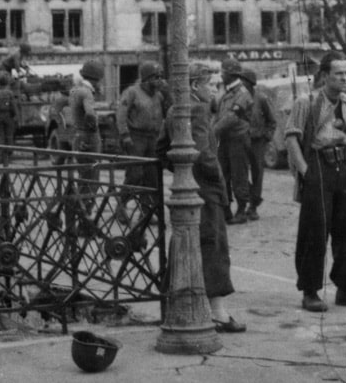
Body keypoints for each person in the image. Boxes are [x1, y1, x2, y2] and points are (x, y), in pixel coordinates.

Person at [157, 62, 246, 333]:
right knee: (214, 248)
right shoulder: (197, 109)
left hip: (188, 188)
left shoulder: (175, 109)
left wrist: (182, 172)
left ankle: (182, 306)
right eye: (212, 85)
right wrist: (217, 180)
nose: (216, 90)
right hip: (204, 191)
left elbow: (161, 149)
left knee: (188, 246)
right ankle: (218, 314)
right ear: (195, 85)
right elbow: (205, 155)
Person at [285, 50, 346, 313]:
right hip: (319, 167)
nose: (344, 78)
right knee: (315, 231)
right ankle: (310, 291)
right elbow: (291, 138)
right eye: (339, 73)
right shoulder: (307, 102)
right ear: (324, 76)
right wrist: (305, 171)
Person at [115, 61, 166, 220]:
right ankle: (121, 206)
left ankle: (146, 211)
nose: (159, 80)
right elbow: (121, 114)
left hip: (153, 138)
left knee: (152, 177)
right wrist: (125, 135)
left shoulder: (158, 95)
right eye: (155, 77)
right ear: (145, 78)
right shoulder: (132, 92)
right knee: (135, 174)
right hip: (136, 137)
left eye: (160, 77)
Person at [214, 57, 253, 225]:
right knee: (223, 174)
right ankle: (226, 209)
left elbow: (232, 117)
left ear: (231, 74)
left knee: (239, 175)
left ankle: (241, 210)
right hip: (225, 139)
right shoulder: (227, 92)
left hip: (238, 139)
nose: (221, 74)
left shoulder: (242, 93)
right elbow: (218, 114)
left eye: (223, 72)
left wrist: (212, 131)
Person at [69, 59, 105, 221]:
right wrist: (93, 129)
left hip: (78, 136)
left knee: (83, 179)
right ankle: (85, 217)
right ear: (95, 79)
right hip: (88, 138)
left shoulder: (76, 90)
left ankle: (79, 215)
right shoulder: (87, 93)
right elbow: (90, 113)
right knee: (92, 179)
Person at [239, 68, 276, 221]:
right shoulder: (239, 98)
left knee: (257, 173)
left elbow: (272, 121)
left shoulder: (260, 98)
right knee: (240, 172)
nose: (241, 83)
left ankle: (253, 206)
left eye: (243, 80)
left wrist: (267, 137)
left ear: (249, 83)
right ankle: (251, 198)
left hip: (257, 141)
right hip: (242, 140)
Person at [0, 72, 18, 165]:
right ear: (6, 83)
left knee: (0, 136)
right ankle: (8, 156)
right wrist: (15, 116)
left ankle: (1, 156)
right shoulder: (9, 93)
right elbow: (13, 106)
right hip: (8, 117)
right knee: (9, 136)